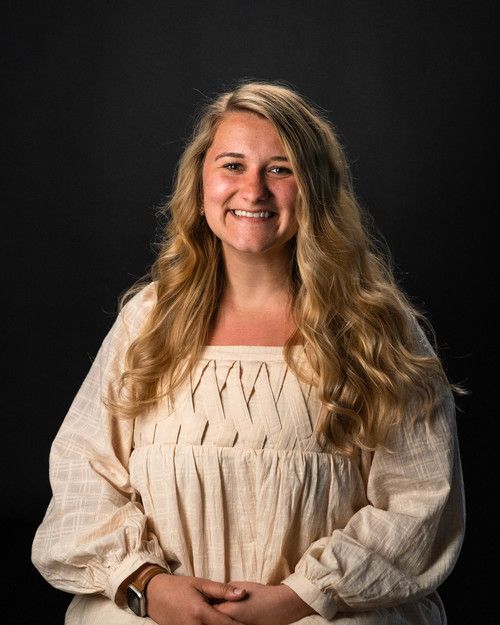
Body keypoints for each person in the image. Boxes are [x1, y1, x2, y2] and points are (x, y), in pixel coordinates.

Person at [32, 81, 465, 625]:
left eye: (280, 169)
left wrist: (298, 598)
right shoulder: (149, 321)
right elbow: (84, 474)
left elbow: (419, 502)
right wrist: (149, 586)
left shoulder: (374, 330)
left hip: (321, 615)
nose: (253, 190)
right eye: (232, 165)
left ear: (314, 190)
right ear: (201, 184)